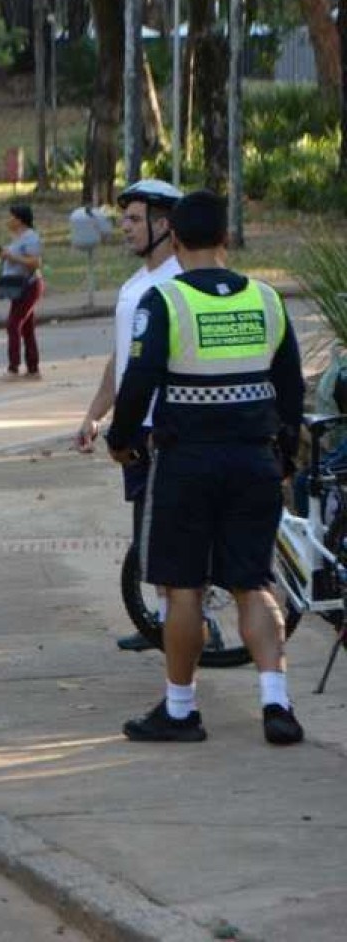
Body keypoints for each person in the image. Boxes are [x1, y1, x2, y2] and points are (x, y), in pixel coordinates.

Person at [106, 190, 306, 746]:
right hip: (253, 460)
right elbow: (291, 388)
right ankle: (276, 702)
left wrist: (122, 441)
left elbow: (139, 380)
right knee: (253, 582)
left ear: (174, 238)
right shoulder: (267, 299)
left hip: (185, 462)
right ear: (226, 238)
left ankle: (180, 709)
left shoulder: (164, 301)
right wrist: (284, 453)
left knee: (185, 586)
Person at [75, 179, 187, 652]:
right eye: (124, 219)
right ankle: (164, 623)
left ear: (164, 225)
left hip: (168, 425)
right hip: (135, 425)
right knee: (149, 529)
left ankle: (189, 624)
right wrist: (94, 414)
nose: (124, 227)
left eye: (134, 219)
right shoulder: (134, 285)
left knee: (169, 532)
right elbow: (121, 358)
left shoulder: (181, 280)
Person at [0, 203, 44, 380]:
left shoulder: (30, 237)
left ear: (20, 219)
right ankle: (33, 368)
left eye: (12, 217)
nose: (9, 220)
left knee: (13, 324)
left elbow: (35, 262)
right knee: (27, 327)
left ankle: (13, 368)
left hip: (29, 285)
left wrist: (11, 256)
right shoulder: (18, 237)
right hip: (18, 286)